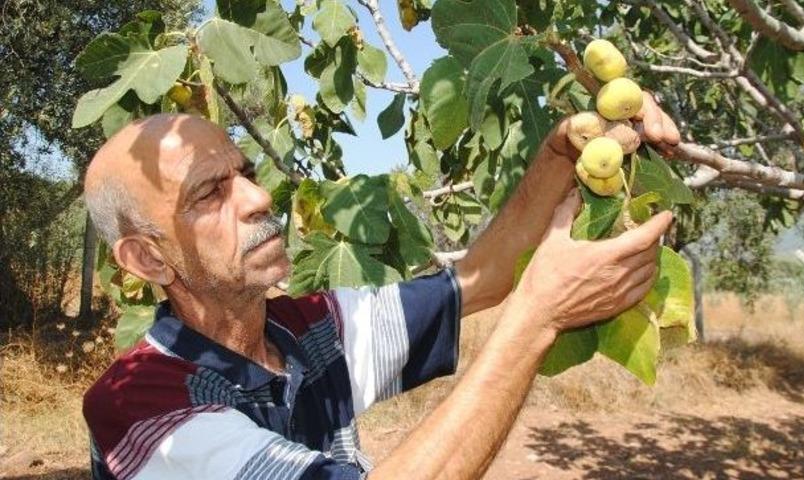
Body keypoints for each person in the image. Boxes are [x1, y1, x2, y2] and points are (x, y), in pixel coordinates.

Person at [81, 92, 680, 479]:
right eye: (210, 193)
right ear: (146, 259)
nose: (260, 199)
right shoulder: (142, 411)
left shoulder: (307, 327)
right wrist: (538, 319)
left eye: (246, 174)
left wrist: (560, 150)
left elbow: (481, 277)